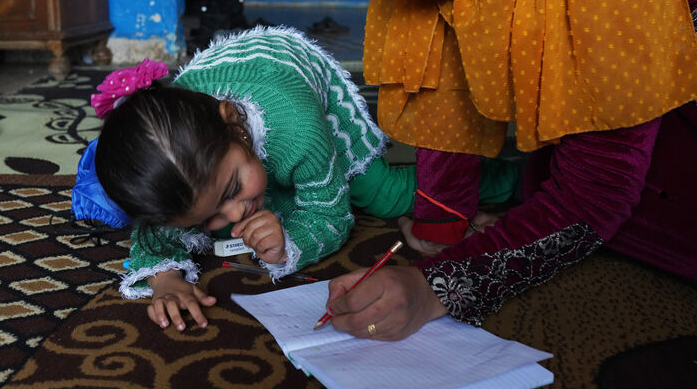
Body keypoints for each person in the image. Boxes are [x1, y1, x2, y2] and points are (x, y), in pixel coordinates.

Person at [313, 0, 697, 341]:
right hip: (645, 70)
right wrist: (440, 223)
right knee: (543, 185)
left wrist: (433, 287)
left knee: (605, 215)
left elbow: (597, 192)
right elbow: (443, 69)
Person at [77, 26, 516, 332]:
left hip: (302, 85)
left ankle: (514, 177)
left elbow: (330, 215)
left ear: (234, 124)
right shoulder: (193, 161)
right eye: (210, 215)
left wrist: (288, 243)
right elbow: (157, 229)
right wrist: (166, 279)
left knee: (381, 195)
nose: (234, 215)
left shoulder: (300, 128)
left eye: (231, 191)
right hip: (236, 118)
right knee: (222, 211)